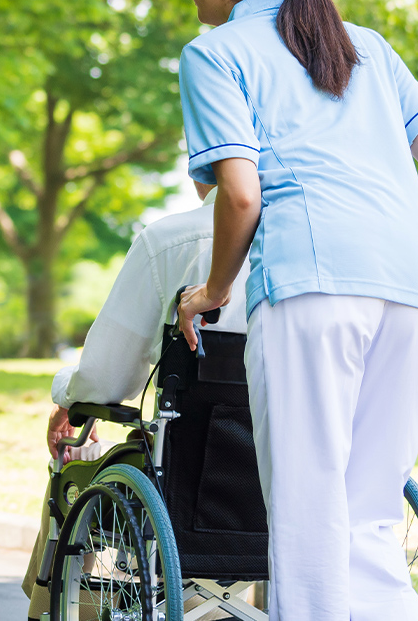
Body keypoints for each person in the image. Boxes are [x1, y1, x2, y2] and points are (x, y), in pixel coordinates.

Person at [169, 0, 418, 620]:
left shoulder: (214, 54)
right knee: (369, 520)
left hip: (313, 284)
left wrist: (211, 290)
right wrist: (409, 258)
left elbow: (240, 196)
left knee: (308, 520)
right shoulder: (366, 44)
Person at [21, 179, 249, 619]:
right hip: (288, 486)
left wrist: (68, 398)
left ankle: (49, 608)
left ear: (200, 167)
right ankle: (215, 606)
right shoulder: (327, 247)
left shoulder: (170, 241)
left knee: (71, 475)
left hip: (190, 492)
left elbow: (107, 377)